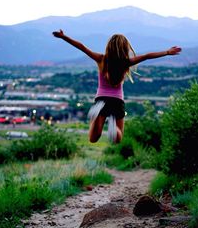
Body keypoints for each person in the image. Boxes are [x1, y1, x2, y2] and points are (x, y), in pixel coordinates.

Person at [53, 29, 181, 143]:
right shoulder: (126, 62)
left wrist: (64, 37)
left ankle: (96, 116)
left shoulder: (101, 59)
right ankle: (113, 126)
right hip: (117, 101)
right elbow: (147, 56)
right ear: (125, 48)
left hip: (101, 100)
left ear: (109, 46)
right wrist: (167, 52)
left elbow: (82, 47)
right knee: (117, 139)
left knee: (93, 139)